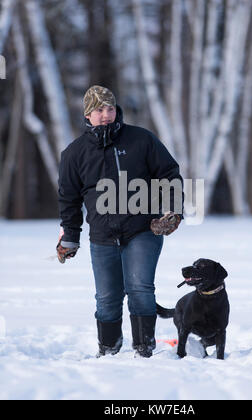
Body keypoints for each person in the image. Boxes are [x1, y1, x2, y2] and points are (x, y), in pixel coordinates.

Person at [57, 86, 183, 358]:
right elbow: (68, 199)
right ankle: (109, 352)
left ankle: (144, 350)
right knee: (107, 299)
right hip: (102, 235)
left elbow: (170, 174)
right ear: (87, 114)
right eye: (99, 110)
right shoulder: (74, 153)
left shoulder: (141, 140)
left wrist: (173, 210)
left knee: (139, 288)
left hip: (143, 230)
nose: (106, 115)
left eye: (110, 109)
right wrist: (70, 236)